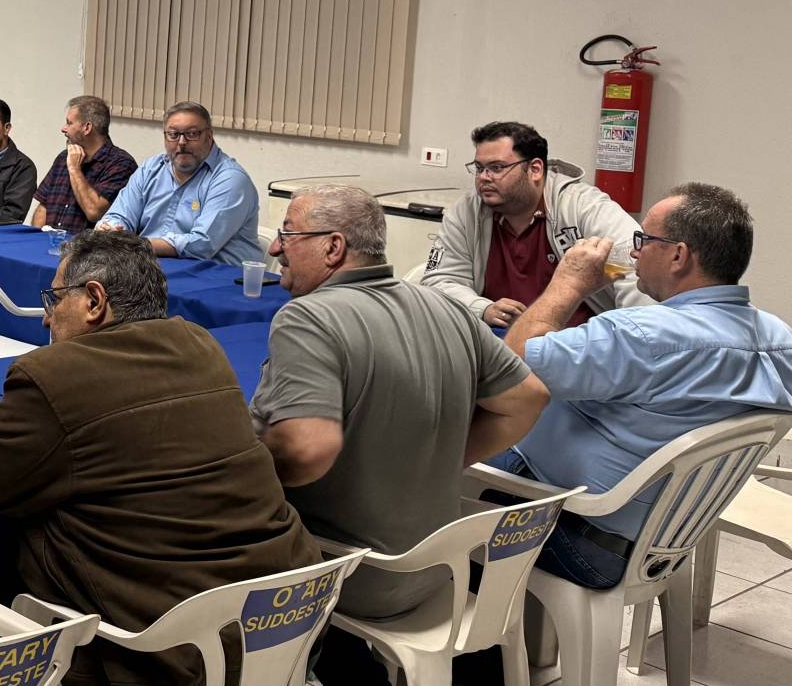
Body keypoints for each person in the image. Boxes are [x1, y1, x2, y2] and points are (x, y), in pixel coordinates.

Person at [0, 231, 318, 685]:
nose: (46, 318)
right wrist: (18, 419)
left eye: (54, 299)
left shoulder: (51, 373)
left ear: (94, 301)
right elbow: (127, 423)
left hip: (164, 652)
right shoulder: (198, 343)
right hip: (278, 628)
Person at [250, 184, 549, 621]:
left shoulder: (307, 317)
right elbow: (529, 399)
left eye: (288, 234)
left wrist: (246, 483)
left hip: (350, 575)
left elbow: (308, 450)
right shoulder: (447, 309)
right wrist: (443, 459)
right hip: (440, 567)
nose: (276, 248)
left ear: (333, 247)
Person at [490, 183, 792, 589]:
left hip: (576, 532)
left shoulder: (639, 336)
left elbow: (511, 365)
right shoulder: (780, 340)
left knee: (436, 466)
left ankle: (452, 616)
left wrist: (569, 283)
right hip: (666, 537)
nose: (634, 253)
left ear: (678, 255)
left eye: (644, 240)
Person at [425, 120, 647, 330]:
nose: (484, 177)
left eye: (497, 167)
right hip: (496, 342)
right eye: (479, 168)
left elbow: (638, 265)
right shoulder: (466, 212)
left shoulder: (583, 206)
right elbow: (439, 281)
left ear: (535, 169)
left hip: (576, 345)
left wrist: (630, 338)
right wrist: (482, 309)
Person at [95, 101, 263, 267]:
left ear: (209, 136)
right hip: (152, 267)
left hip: (217, 274)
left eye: (192, 134)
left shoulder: (230, 179)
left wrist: (133, 244)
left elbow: (202, 244)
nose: (182, 142)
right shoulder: (151, 169)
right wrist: (110, 228)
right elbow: (119, 214)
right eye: (173, 134)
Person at [27, 95, 136, 233]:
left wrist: (74, 169)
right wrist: (36, 238)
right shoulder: (63, 157)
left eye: (69, 123)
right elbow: (44, 206)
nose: (63, 129)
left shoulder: (121, 164)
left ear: (87, 128)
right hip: (47, 242)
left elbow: (94, 212)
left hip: (83, 245)